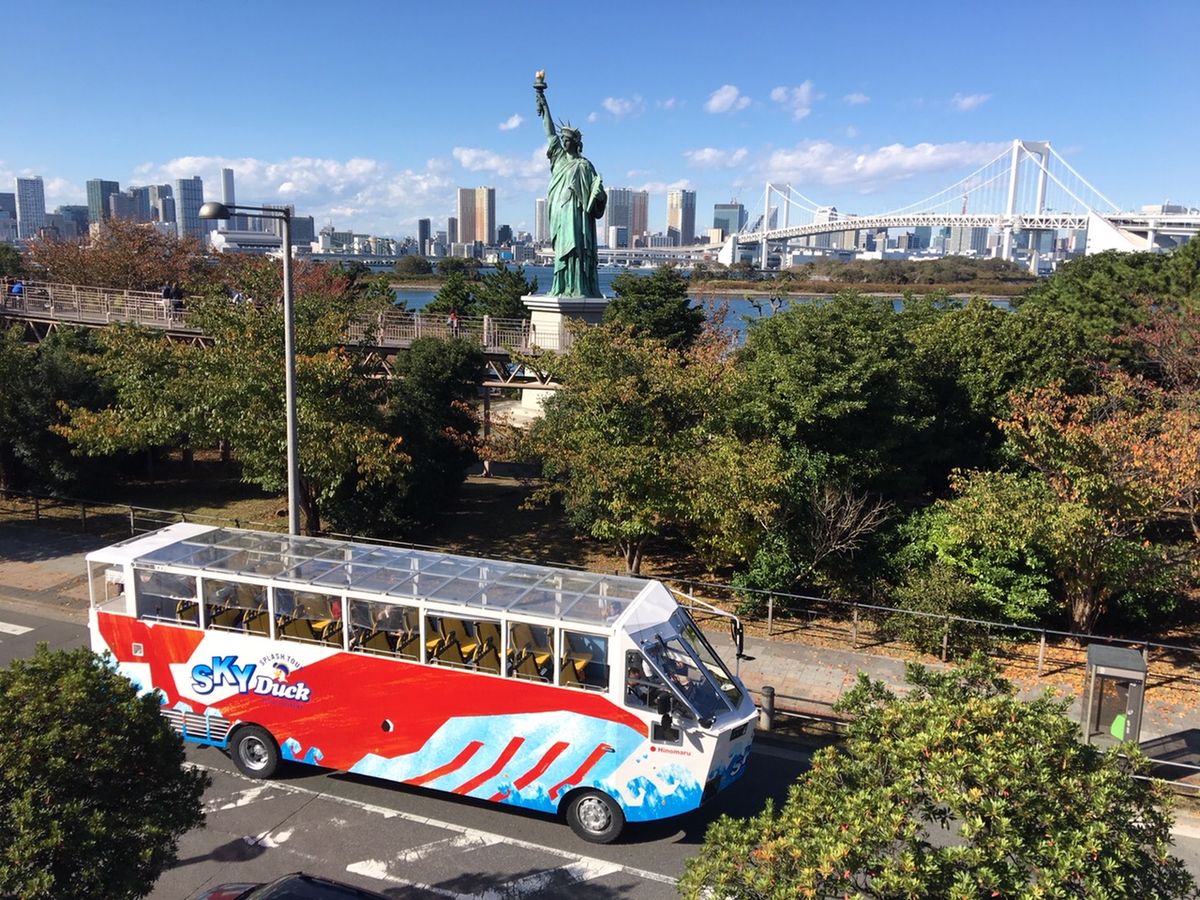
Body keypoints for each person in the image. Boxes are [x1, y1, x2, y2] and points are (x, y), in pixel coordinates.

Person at [535, 74, 607, 298]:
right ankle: (563, 285)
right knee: (563, 249)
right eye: (563, 140)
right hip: (560, 210)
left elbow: (597, 192)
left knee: (578, 247)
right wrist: (542, 100)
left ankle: (578, 286)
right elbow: (549, 132)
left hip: (577, 213)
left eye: (567, 140)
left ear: (575, 143)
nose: (564, 142)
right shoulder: (557, 157)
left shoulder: (585, 165)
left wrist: (600, 195)